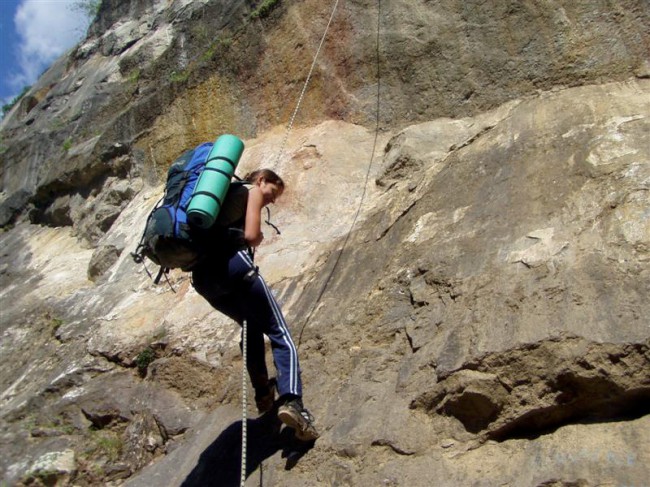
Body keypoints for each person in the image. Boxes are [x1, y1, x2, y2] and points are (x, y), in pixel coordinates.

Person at [191, 168, 319, 441]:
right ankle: (293, 402)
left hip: (204, 280)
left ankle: (263, 394)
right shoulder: (250, 191)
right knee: (279, 332)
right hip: (234, 267)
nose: (271, 201)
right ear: (262, 180)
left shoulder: (222, 198)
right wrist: (257, 238)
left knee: (250, 326)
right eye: (273, 192)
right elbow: (251, 236)